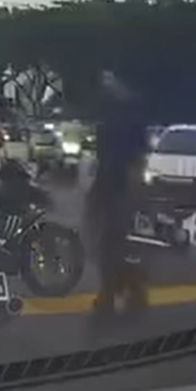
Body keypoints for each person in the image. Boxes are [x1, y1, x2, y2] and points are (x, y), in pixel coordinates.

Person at [86, 69, 150, 327]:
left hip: (120, 186)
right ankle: (120, 294)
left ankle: (121, 293)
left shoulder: (122, 118)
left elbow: (135, 158)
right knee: (115, 243)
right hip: (113, 184)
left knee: (116, 243)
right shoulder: (116, 118)